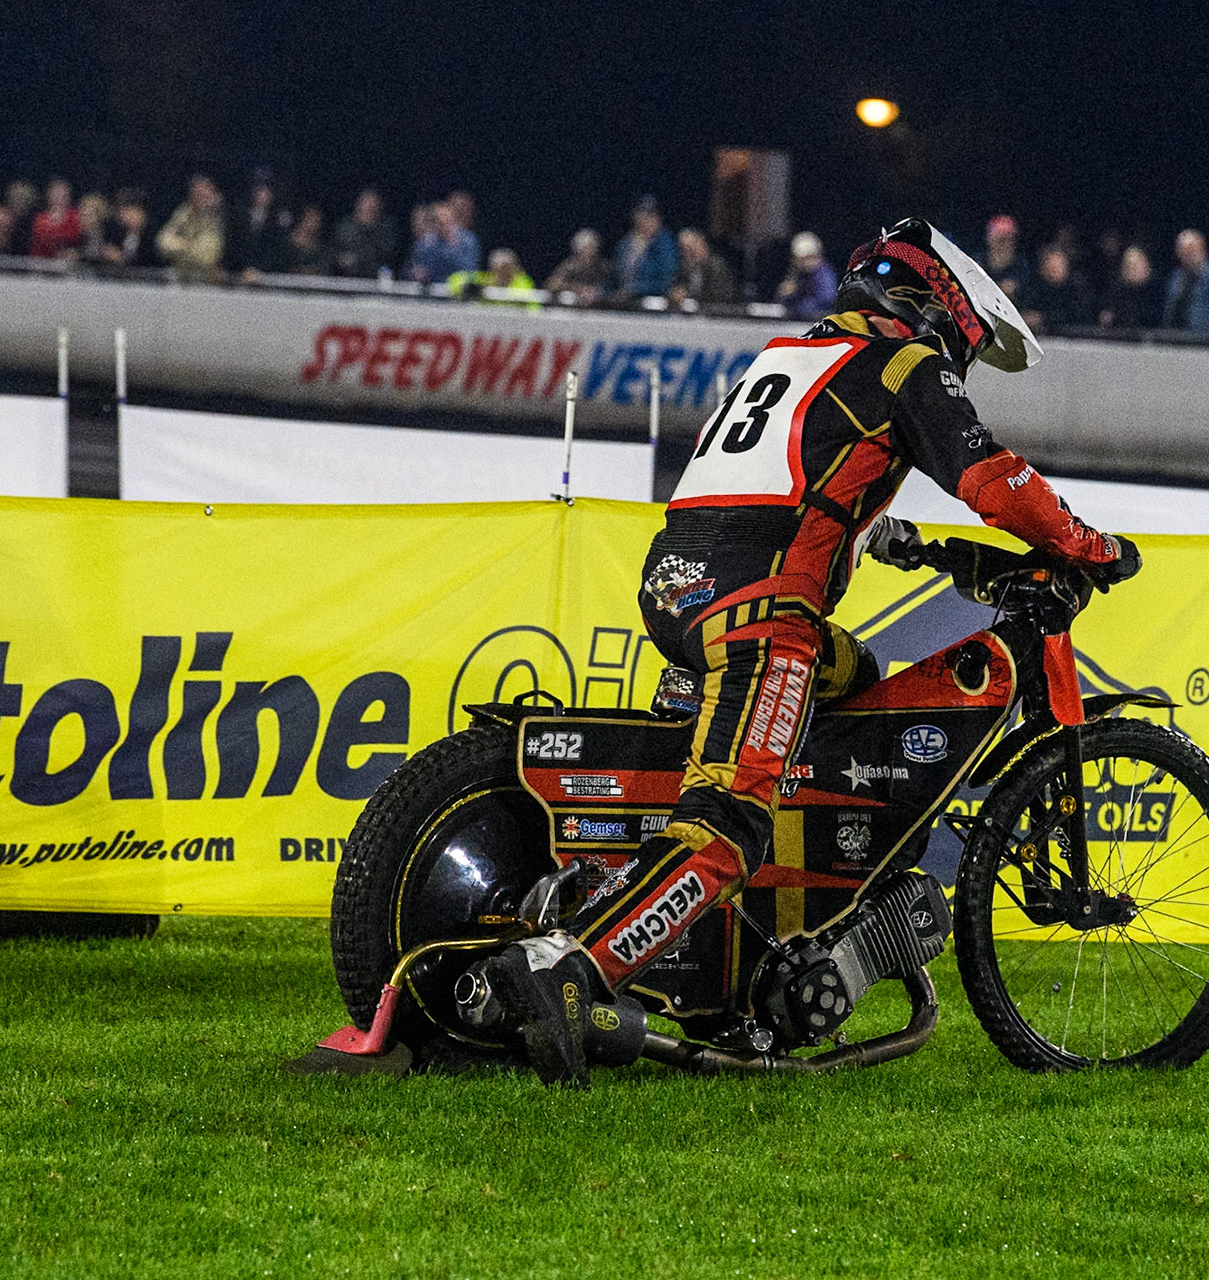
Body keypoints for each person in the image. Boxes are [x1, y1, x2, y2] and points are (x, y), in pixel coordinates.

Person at [474, 217, 1140, 1085]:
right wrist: (1090, 546)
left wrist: (898, 539)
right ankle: (572, 966)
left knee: (858, 674)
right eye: (964, 349)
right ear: (936, 307)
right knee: (729, 823)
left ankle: (792, 920)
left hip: (679, 586)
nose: (960, 367)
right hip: (761, 612)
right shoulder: (906, 364)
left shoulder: (791, 356)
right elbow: (992, 479)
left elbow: (804, 481)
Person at [1161, 229, 1209, 330]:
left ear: (1203, 249)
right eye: (1184, 251)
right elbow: (1168, 312)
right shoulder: (1176, 278)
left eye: (1192, 250)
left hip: (1207, 341)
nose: (1188, 255)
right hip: (1178, 339)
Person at [156, 173, 225, 282]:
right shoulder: (183, 212)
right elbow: (163, 242)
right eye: (197, 192)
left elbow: (206, 257)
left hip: (207, 283)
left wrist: (179, 245)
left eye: (205, 193)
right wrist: (187, 246)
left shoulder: (218, 218)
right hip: (181, 279)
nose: (200, 196)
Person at [228, 170, 293, 279]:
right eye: (259, 190)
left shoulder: (278, 222)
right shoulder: (238, 218)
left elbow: (278, 253)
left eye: (267, 191)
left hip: (267, 279)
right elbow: (233, 248)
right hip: (239, 276)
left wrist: (260, 272)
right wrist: (245, 270)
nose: (262, 195)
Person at [1018, 243, 1095, 331]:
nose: (1054, 270)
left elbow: (1077, 315)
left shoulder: (1077, 289)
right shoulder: (1034, 288)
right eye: (1051, 266)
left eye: (1058, 266)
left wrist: (1044, 318)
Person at [614, 194, 679, 299]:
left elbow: (665, 280)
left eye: (650, 215)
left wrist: (634, 290)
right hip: (624, 302)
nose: (645, 219)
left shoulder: (666, 245)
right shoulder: (624, 244)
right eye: (641, 214)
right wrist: (599, 292)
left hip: (652, 304)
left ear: (658, 219)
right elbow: (614, 279)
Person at [407, 201, 480, 285]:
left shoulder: (469, 240)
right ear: (434, 223)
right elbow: (422, 273)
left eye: (447, 220)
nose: (444, 225)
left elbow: (469, 271)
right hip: (433, 291)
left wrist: (452, 245)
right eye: (439, 222)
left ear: (453, 219)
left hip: (460, 290)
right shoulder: (424, 244)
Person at [330, 187, 397, 278]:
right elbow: (334, 251)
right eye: (366, 202)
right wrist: (341, 259)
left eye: (373, 203)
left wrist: (359, 257)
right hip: (348, 278)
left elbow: (388, 254)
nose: (369, 207)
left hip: (375, 279)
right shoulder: (345, 227)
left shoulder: (386, 228)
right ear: (358, 204)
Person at [447, 247, 538, 309]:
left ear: (514, 268)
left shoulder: (523, 281)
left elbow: (532, 306)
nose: (503, 272)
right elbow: (454, 280)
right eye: (498, 268)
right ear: (492, 269)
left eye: (507, 267)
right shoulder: (484, 279)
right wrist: (472, 287)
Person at [668, 228, 738, 308]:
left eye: (693, 247)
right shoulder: (683, 268)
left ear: (704, 245)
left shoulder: (716, 266)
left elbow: (720, 297)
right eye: (685, 249)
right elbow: (673, 288)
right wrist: (674, 294)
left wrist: (688, 295)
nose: (691, 253)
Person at [775, 231, 838, 319]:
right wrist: (788, 294)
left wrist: (801, 306)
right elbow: (785, 304)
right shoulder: (799, 274)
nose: (802, 263)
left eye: (806, 258)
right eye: (799, 259)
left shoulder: (824, 274)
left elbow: (827, 300)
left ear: (816, 256)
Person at [547, 227, 612, 305]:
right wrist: (578, 289)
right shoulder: (570, 266)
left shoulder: (603, 266)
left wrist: (596, 292)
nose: (588, 252)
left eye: (591, 247)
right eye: (585, 248)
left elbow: (611, 287)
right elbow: (553, 285)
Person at [1100, 244, 1157, 329]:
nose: (1133, 269)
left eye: (1137, 264)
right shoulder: (1118, 291)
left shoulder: (1156, 290)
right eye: (1129, 265)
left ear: (1146, 265)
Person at [99, 188, 156, 270]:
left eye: (131, 211)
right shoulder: (115, 234)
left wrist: (122, 260)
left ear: (142, 212)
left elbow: (152, 264)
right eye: (123, 211)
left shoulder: (152, 236)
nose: (126, 216)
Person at [28, 178, 83, 259]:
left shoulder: (77, 216)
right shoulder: (40, 219)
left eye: (63, 193)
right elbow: (38, 247)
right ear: (49, 195)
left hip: (73, 264)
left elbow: (83, 241)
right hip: (45, 264)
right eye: (56, 193)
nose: (59, 196)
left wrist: (77, 253)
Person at [983, 214, 1030, 300]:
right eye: (999, 240)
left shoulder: (1023, 270)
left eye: (1009, 240)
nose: (1003, 245)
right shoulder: (977, 263)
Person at [282, 205, 330, 275]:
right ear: (303, 220)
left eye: (317, 221)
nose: (314, 224)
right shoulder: (287, 243)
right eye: (311, 219)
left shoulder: (320, 247)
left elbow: (324, 267)